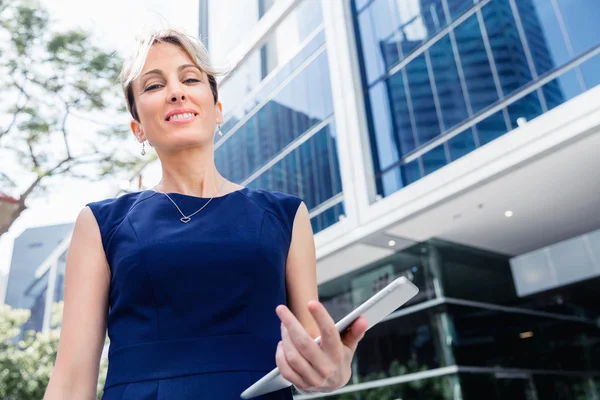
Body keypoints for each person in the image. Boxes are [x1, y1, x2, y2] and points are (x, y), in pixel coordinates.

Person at [43, 28, 368, 399]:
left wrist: (333, 372)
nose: (176, 91)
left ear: (217, 109)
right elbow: (70, 382)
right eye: (153, 86)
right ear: (138, 129)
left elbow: (312, 356)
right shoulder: (101, 223)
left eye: (190, 78)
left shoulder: (286, 215)